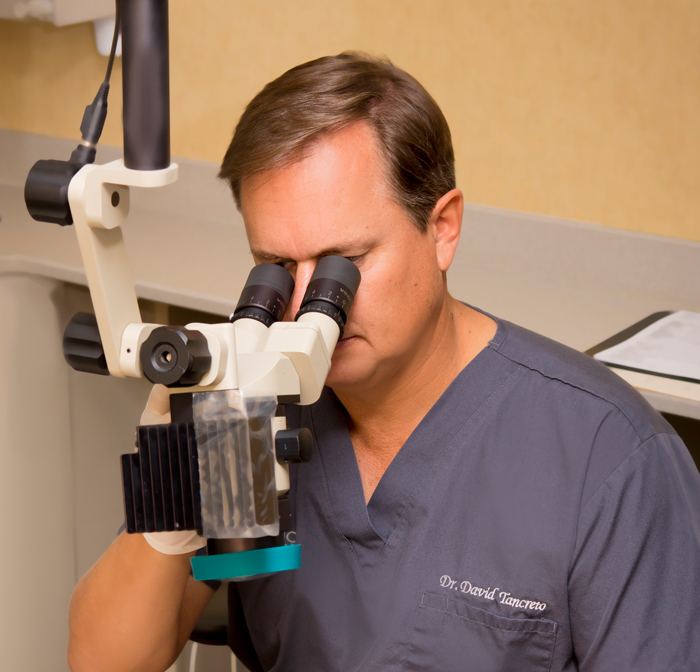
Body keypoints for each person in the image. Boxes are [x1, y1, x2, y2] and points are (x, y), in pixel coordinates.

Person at [68, 53, 700, 672]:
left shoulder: (608, 458)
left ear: (443, 227)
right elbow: (103, 662)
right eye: (280, 268)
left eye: (345, 261)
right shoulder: (254, 408)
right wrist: (169, 490)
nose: (316, 308)